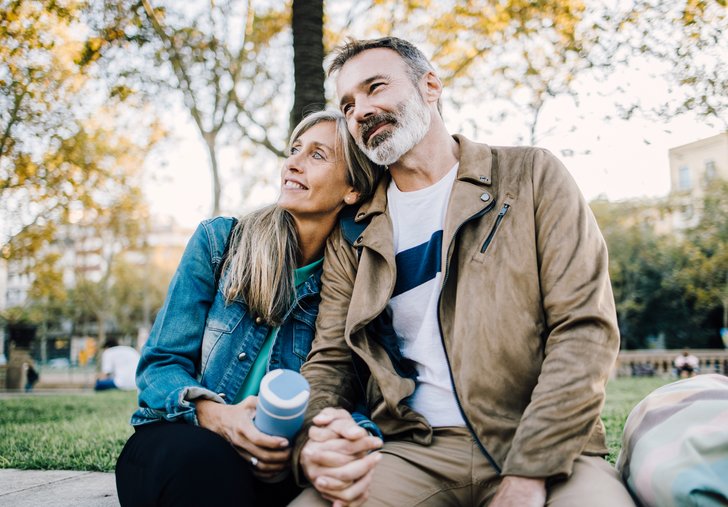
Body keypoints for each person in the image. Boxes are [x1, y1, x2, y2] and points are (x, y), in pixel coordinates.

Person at [290, 37, 635, 507]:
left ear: (430, 85)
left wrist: (528, 470)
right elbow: (330, 358)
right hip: (412, 451)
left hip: (546, 445)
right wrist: (312, 437)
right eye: (348, 105)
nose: (360, 112)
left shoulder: (532, 176)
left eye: (376, 88)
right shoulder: (354, 233)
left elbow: (585, 330)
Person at [114, 110, 381, 507]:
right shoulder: (219, 243)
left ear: (353, 190)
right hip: (184, 438)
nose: (292, 162)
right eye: (294, 150)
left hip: (281, 464)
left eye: (317, 155)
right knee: (205, 464)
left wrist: (324, 444)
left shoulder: (356, 283)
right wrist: (220, 418)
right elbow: (160, 366)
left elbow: (358, 395)